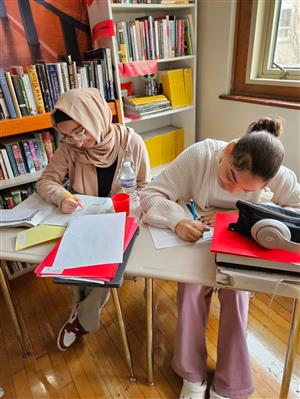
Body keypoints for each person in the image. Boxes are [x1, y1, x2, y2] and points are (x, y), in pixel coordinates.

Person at [140, 117, 300, 399]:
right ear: (229, 150)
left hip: (241, 246)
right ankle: (191, 374)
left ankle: (230, 383)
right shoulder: (201, 155)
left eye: (245, 189)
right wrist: (177, 221)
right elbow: (151, 193)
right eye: (230, 177)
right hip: (197, 237)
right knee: (190, 291)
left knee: (236, 297)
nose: (233, 190)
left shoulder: (279, 175)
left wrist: (241, 215)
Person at [36, 88, 151, 351]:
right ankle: (83, 311)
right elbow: (46, 181)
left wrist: (125, 206)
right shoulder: (69, 148)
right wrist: (60, 197)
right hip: (85, 222)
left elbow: (146, 188)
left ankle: (81, 316)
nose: (76, 141)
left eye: (80, 131)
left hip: (122, 223)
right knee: (76, 262)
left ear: (96, 118)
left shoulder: (131, 143)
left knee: (102, 269)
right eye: (66, 135)